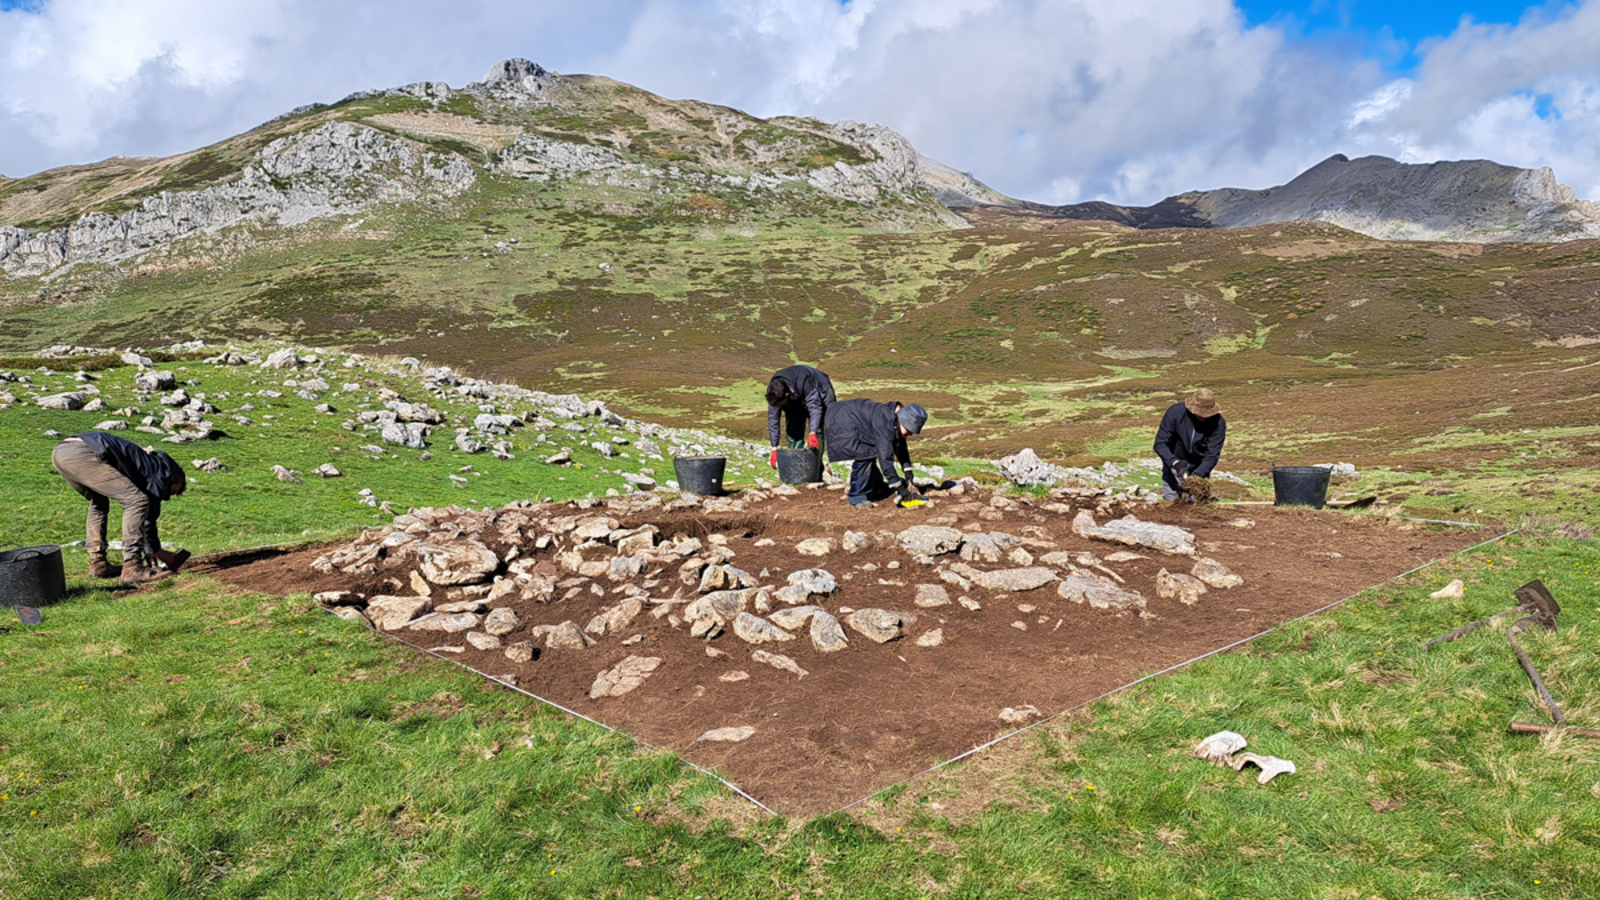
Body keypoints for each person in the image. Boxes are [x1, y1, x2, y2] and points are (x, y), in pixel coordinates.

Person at [51, 431, 189, 585]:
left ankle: (98, 563)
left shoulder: (150, 464)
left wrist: (152, 549)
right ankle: (132, 567)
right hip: (83, 452)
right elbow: (149, 515)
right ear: (175, 479)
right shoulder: (161, 473)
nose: (166, 496)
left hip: (62, 452)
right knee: (137, 501)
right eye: (171, 492)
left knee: (99, 503)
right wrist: (156, 550)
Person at [824, 399, 927, 506]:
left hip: (850, 418)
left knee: (870, 452)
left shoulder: (895, 420)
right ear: (904, 422)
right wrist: (898, 486)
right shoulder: (884, 424)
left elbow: (900, 446)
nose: (910, 434)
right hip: (843, 422)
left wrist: (907, 470)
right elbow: (885, 458)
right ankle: (857, 496)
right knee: (865, 454)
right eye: (910, 430)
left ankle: (876, 486)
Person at [1154, 388, 1227, 502]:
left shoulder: (1218, 424)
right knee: (1171, 505)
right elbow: (1160, 444)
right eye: (1200, 414)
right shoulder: (1175, 413)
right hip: (1174, 466)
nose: (1203, 417)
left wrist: (1197, 477)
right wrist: (1175, 463)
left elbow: (1211, 456)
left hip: (1200, 469)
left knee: (1196, 506)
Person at [765, 364, 836, 468]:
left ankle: (815, 468)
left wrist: (813, 432)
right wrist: (774, 448)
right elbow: (773, 419)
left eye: (780, 405)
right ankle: (796, 467)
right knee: (793, 430)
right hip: (795, 400)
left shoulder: (804, 379)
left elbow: (815, 407)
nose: (778, 407)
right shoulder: (774, 391)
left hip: (821, 392)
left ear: (787, 395)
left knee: (818, 431)